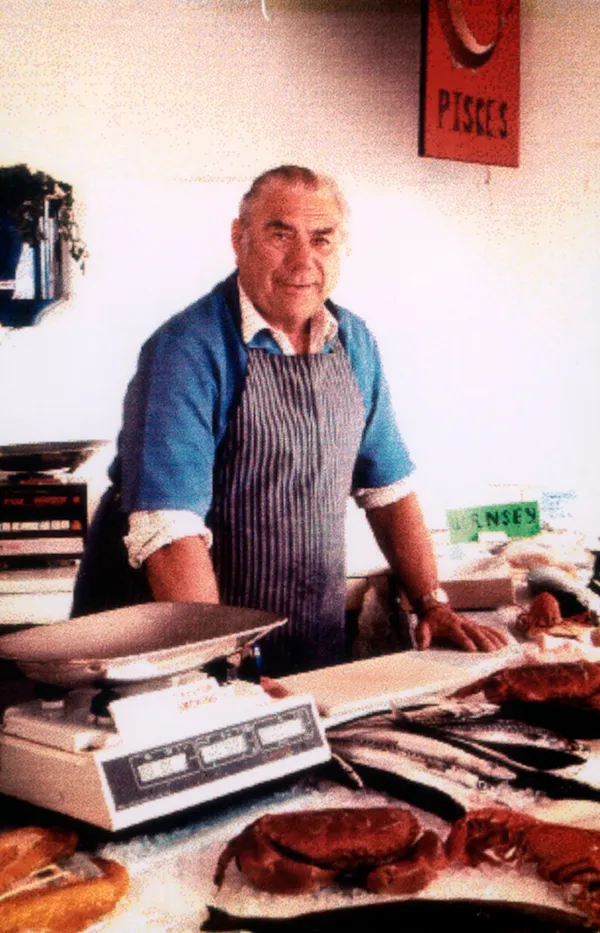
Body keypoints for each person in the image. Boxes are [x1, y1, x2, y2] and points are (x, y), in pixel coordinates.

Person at [73, 165, 509, 675]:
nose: (303, 260)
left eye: (322, 240)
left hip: (306, 643)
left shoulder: (354, 343)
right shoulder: (187, 350)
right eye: (281, 235)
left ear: (342, 248)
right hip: (176, 660)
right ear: (239, 239)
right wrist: (225, 670)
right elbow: (171, 535)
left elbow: (388, 491)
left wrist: (433, 603)